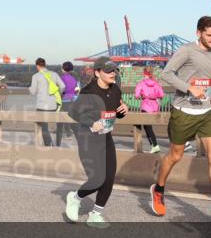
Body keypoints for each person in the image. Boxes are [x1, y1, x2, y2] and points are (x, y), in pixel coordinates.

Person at [152, 16, 211, 220]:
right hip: (184, 112)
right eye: (209, 35)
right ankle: (158, 189)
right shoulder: (186, 50)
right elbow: (167, 74)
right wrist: (189, 88)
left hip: (207, 111)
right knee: (175, 155)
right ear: (198, 33)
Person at [64, 57, 129, 227]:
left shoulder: (115, 90)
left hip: (106, 138)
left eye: (114, 70)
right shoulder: (89, 92)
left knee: (109, 179)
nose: (112, 74)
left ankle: (95, 214)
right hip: (89, 140)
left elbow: (115, 111)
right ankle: (75, 198)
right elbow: (72, 112)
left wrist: (123, 109)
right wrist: (91, 122)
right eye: (108, 71)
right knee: (98, 179)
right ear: (97, 73)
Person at [29, 57, 64, 147]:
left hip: (41, 106)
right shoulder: (54, 74)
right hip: (53, 106)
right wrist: (58, 94)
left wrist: (29, 88)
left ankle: (49, 144)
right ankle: (52, 144)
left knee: (43, 127)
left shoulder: (36, 76)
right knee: (50, 125)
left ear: (37, 66)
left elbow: (32, 92)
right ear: (45, 65)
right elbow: (63, 86)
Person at [134, 67, 164, 154]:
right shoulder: (156, 83)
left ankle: (154, 145)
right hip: (155, 106)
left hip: (146, 106)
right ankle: (154, 145)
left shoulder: (141, 83)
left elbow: (136, 95)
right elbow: (161, 95)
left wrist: (140, 95)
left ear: (144, 73)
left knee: (147, 127)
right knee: (149, 127)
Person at [55, 61, 79, 147]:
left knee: (59, 126)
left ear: (63, 69)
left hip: (63, 103)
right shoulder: (75, 79)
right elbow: (77, 91)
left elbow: (59, 90)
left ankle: (57, 145)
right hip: (72, 102)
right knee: (73, 124)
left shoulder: (62, 78)